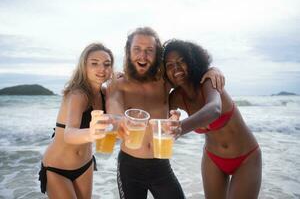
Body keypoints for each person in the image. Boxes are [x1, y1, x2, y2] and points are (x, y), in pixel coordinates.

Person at [106, 27, 224, 199]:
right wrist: (119, 122)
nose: (143, 56)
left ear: (157, 55)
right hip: (130, 167)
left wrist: (212, 70)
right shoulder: (118, 84)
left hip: (161, 165)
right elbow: (114, 108)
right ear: (128, 52)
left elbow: (189, 73)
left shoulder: (164, 83)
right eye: (137, 49)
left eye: (149, 51)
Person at [163, 39, 262, 199]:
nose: (176, 68)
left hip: (246, 158)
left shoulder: (208, 81)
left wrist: (180, 127)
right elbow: (154, 111)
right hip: (213, 159)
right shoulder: (176, 97)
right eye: (169, 65)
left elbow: (214, 109)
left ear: (192, 62)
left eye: (182, 62)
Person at [38, 43, 114, 198]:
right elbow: (69, 133)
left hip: (85, 165)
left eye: (107, 64)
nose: (102, 69)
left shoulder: (104, 93)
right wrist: (92, 133)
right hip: (57, 168)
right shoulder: (77, 94)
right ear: (83, 66)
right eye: (94, 64)